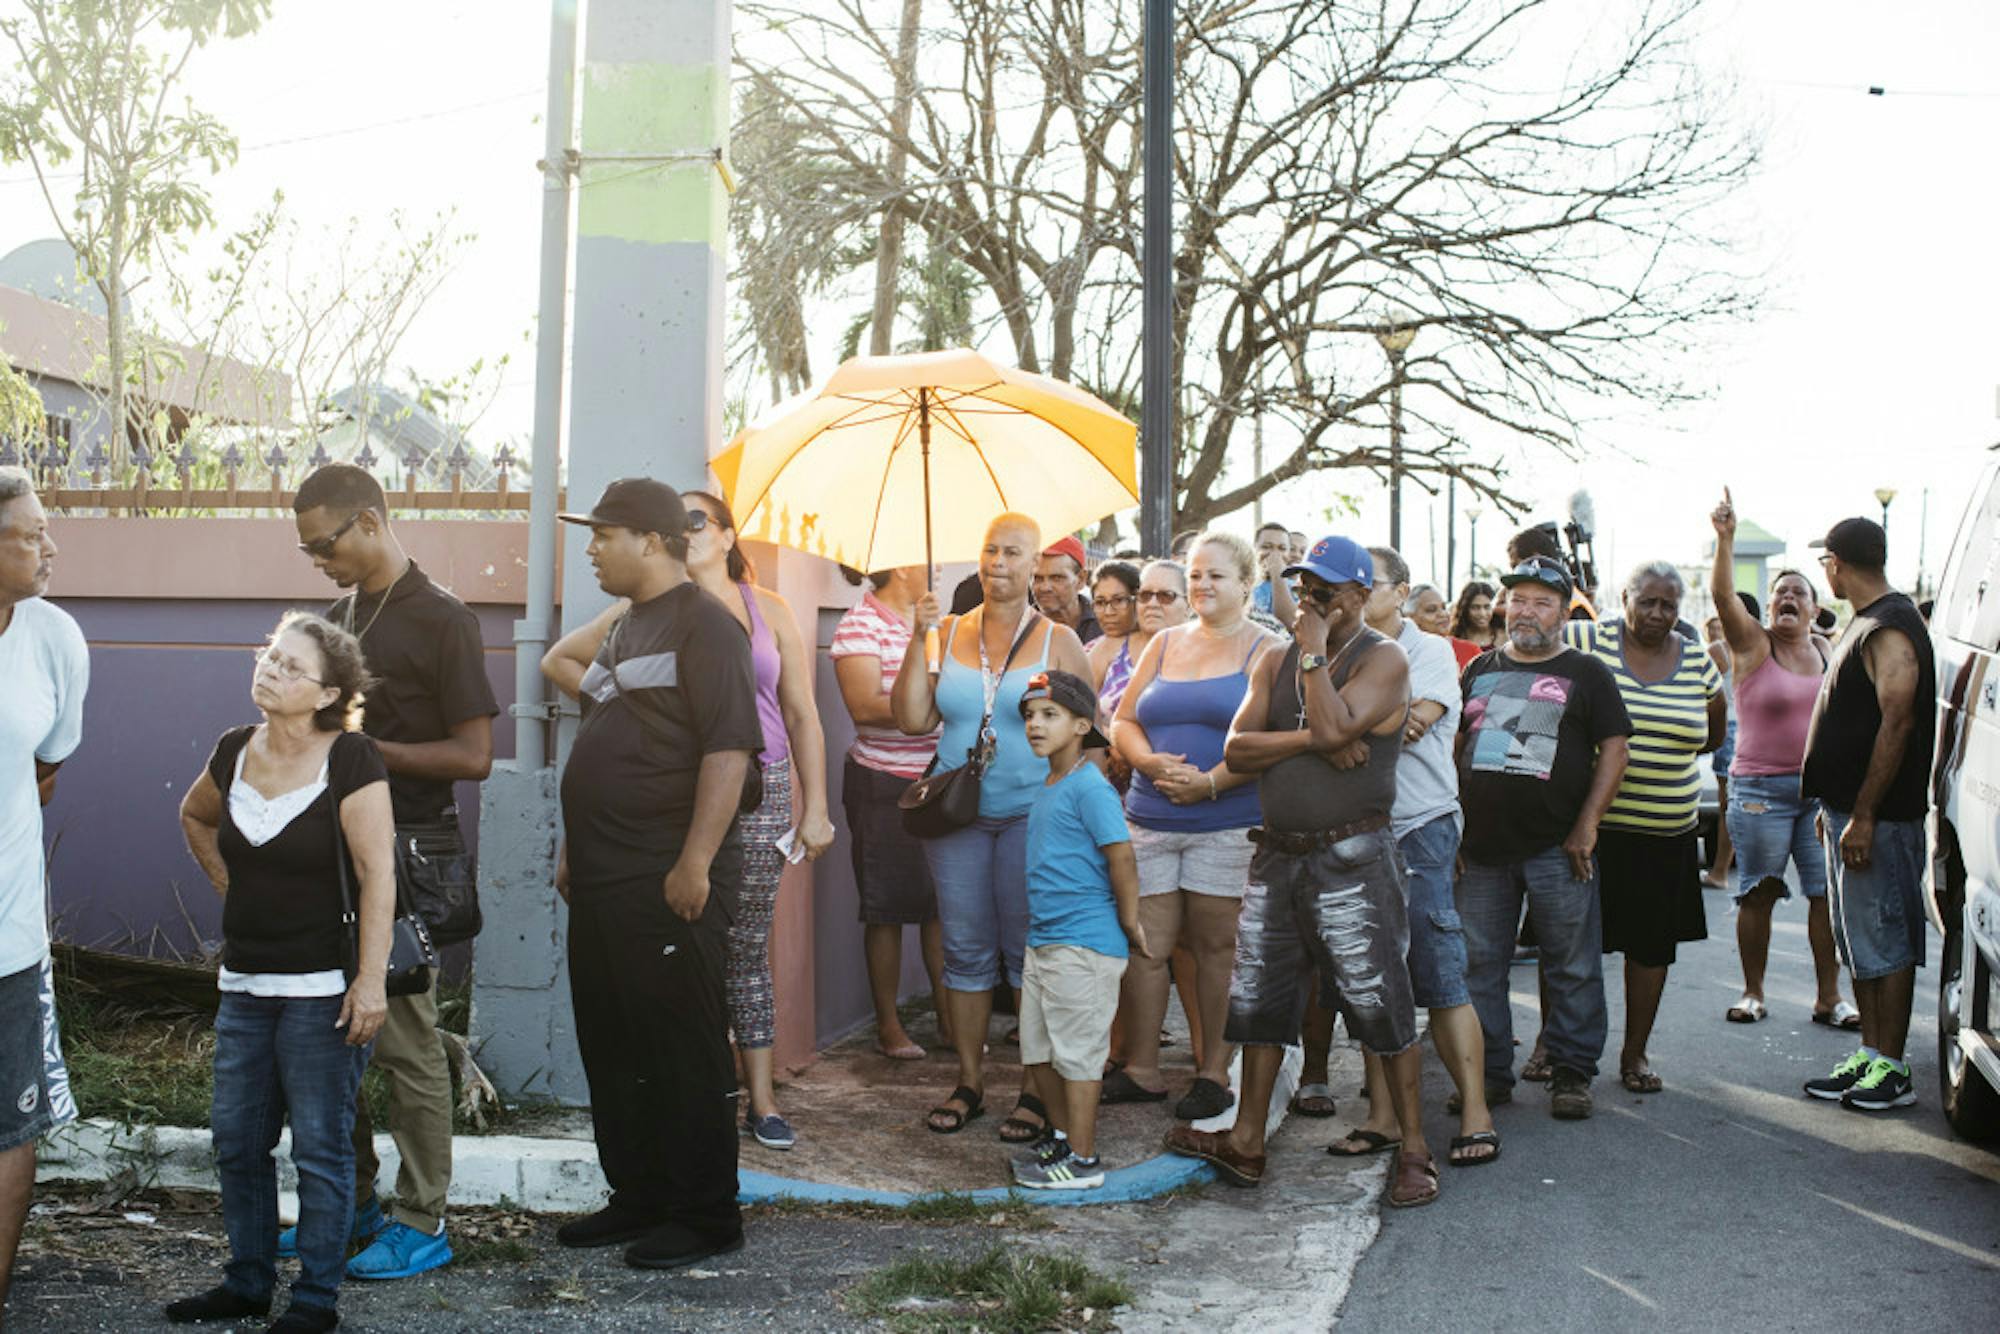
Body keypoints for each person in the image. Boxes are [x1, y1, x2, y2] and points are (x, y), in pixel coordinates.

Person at [1168, 536, 1437, 1207]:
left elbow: (1337, 722)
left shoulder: (1386, 659)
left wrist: (1316, 666)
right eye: (1303, 586)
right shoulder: (1275, 659)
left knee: (1379, 1001)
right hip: (1278, 853)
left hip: (1353, 857)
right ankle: (1247, 1142)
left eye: (1325, 589)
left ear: (1357, 595)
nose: (1310, 598)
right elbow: (1239, 745)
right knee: (1260, 1003)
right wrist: (1312, 741)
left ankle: (1415, 1151)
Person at [543, 478, 760, 1269]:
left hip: (667, 872)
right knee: (615, 1039)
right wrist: (575, 845)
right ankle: (638, 1197)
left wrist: (695, 861)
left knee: (680, 1042)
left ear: (652, 540)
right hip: (603, 873)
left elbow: (729, 750)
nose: (592, 549)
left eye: (604, 535)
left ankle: (706, 1215)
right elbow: (600, 730)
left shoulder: (710, 627)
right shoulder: (627, 626)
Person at [289, 464, 496, 1279]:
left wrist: (365, 757)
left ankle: (423, 1217)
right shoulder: (337, 619)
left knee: (405, 1042)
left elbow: (474, 755)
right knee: (327, 1042)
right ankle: (350, 1210)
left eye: (324, 544)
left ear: (369, 521)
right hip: (332, 853)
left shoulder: (444, 618)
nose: (317, 561)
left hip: (408, 854)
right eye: (307, 550)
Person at [170, 613, 393, 1333]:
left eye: (291, 666)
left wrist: (370, 982)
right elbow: (194, 817)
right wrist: (230, 887)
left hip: (322, 995)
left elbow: (377, 874)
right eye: (271, 655)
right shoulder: (234, 749)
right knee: (237, 1141)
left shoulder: (352, 758)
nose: (271, 669)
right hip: (245, 987)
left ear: (327, 692)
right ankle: (246, 1282)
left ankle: (315, 1301)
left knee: (322, 1151)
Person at [892, 513, 1092, 1143]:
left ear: (1035, 565)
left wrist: (1071, 814)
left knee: (1028, 952)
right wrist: (914, 638)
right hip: (957, 816)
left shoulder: (1058, 640)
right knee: (965, 948)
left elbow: (1088, 738)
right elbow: (911, 719)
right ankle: (971, 1081)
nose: (998, 562)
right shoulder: (947, 631)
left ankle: (1034, 1091)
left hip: (1034, 816)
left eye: (1013, 552)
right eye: (989, 550)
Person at [1308, 547, 1496, 1165]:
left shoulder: (1429, 649)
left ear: (1397, 591)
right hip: (1355, 829)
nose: (1340, 596)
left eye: (1360, 585)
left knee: (1440, 973)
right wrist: (1338, 728)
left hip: (1420, 826)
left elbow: (1412, 724)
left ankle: (1476, 1112)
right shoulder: (1337, 649)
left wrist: (1344, 725)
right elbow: (1317, 730)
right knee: (1371, 977)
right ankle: (1382, 1118)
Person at [1104, 533, 1274, 1120]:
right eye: (1196, 575)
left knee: (1213, 949)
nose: (1202, 585)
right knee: (1146, 946)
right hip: (1148, 818)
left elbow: (1269, 744)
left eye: (1216, 576)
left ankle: (1212, 1072)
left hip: (1227, 823)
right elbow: (1123, 719)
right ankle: (1142, 1070)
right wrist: (1148, 762)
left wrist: (1211, 784)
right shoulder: (1165, 643)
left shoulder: (1266, 650)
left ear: (1246, 586)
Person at [1456, 556, 1631, 1122]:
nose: (1526, 611)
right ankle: (1489, 1076)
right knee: (1480, 964)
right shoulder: (1479, 668)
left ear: (1563, 612)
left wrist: (1586, 826)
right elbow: (1457, 747)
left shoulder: (1587, 673)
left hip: (1558, 846)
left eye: (1542, 602)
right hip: (1480, 848)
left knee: (1571, 963)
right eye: (1519, 600)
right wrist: (1453, 827)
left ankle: (1572, 1073)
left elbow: (1615, 750)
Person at [1565, 562, 1723, 1095]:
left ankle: (1634, 1054)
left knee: (1650, 950)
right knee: (1570, 944)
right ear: (1624, 596)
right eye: (1647, 602)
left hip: (1666, 834)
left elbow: (1712, 732)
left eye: (1669, 606)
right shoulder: (1588, 638)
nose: (1657, 614)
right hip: (1591, 830)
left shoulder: (1697, 657)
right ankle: (1556, 1048)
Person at [1800, 517, 1937, 1112]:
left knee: (1886, 940)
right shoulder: (1867, 622)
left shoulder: (1890, 626)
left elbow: (1898, 721)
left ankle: (1893, 1067)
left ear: (1835, 562)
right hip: (1846, 811)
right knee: (1858, 939)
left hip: (1877, 819)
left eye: (1824, 562)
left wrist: (1865, 813)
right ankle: (1872, 1054)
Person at [1709, 493, 1854, 1028]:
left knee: (1825, 896)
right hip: (1760, 793)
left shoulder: (1825, 650)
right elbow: (1724, 596)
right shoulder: (1752, 645)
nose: (1789, 598)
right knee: (1758, 893)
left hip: (1817, 796)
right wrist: (1726, 540)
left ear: (1815, 608)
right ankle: (1753, 992)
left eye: (1800, 592)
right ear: (1768, 609)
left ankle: (1828, 998)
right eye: (1780, 593)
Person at [0, 468, 85, 1323]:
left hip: (7, 935)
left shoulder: (54, 636)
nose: (49, 546)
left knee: (7, 1125)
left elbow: (44, 770)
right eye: (29, 534)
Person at [1009, 670, 1148, 1190]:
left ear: (1082, 725)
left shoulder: (1090, 787)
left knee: (1079, 1055)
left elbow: (1122, 856)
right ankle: (1064, 1137)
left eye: (1049, 715)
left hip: (1083, 944)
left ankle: (1084, 1161)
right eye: (1029, 716)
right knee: (1039, 1051)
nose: (1034, 725)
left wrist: (1129, 919)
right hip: (1046, 940)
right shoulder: (1051, 784)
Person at [829, 565, 950, 1060]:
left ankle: (950, 1019)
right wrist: (928, 700)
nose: (937, 567)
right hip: (884, 780)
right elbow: (864, 707)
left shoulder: (939, 622)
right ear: (902, 567)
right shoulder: (859, 625)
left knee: (942, 907)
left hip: (943, 777)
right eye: (930, 560)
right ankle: (889, 1025)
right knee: (887, 908)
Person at [1085, 560, 1142, 718]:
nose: (1108, 612)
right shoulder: (1088, 651)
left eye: (1118, 600)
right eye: (1100, 602)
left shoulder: (1158, 644)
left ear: (1138, 600)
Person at [1033, 536, 1101, 643]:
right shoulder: (1019, 629)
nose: (1045, 587)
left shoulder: (1104, 623)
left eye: (1057, 578)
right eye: (1037, 578)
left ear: (1081, 579)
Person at [1252, 521, 1299, 627]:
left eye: (1282, 548)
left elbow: (1291, 622)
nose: (1275, 554)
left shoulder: (1297, 588)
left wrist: (1277, 572)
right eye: (1266, 547)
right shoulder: (1242, 585)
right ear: (1255, 548)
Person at [1451, 580, 1500, 652]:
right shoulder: (1455, 637)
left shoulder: (1505, 636)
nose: (1482, 614)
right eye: (1475, 607)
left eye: (1487, 607)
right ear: (1465, 608)